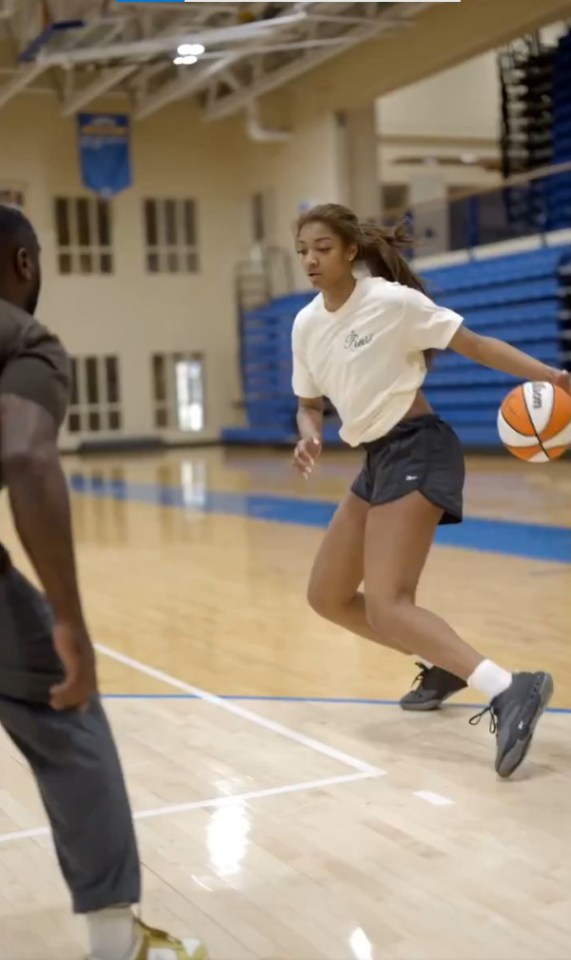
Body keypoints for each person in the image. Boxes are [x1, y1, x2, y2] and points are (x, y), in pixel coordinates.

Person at [291, 202, 568, 779]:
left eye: (321, 247)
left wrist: (551, 377)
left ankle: (509, 688)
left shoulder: (392, 303)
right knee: (328, 595)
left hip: (420, 447)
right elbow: (309, 401)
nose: (310, 260)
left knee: (390, 604)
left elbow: (477, 344)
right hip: (376, 460)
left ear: (349, 251)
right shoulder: (306, 324)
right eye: (302, 251)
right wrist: (309, 434)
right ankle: (440, 665)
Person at [0, 203, 207, 960]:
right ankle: (118, 943)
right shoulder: (25, 336)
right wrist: (69, 619)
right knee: (65, 710)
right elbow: (24, 456)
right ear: (26, 263)